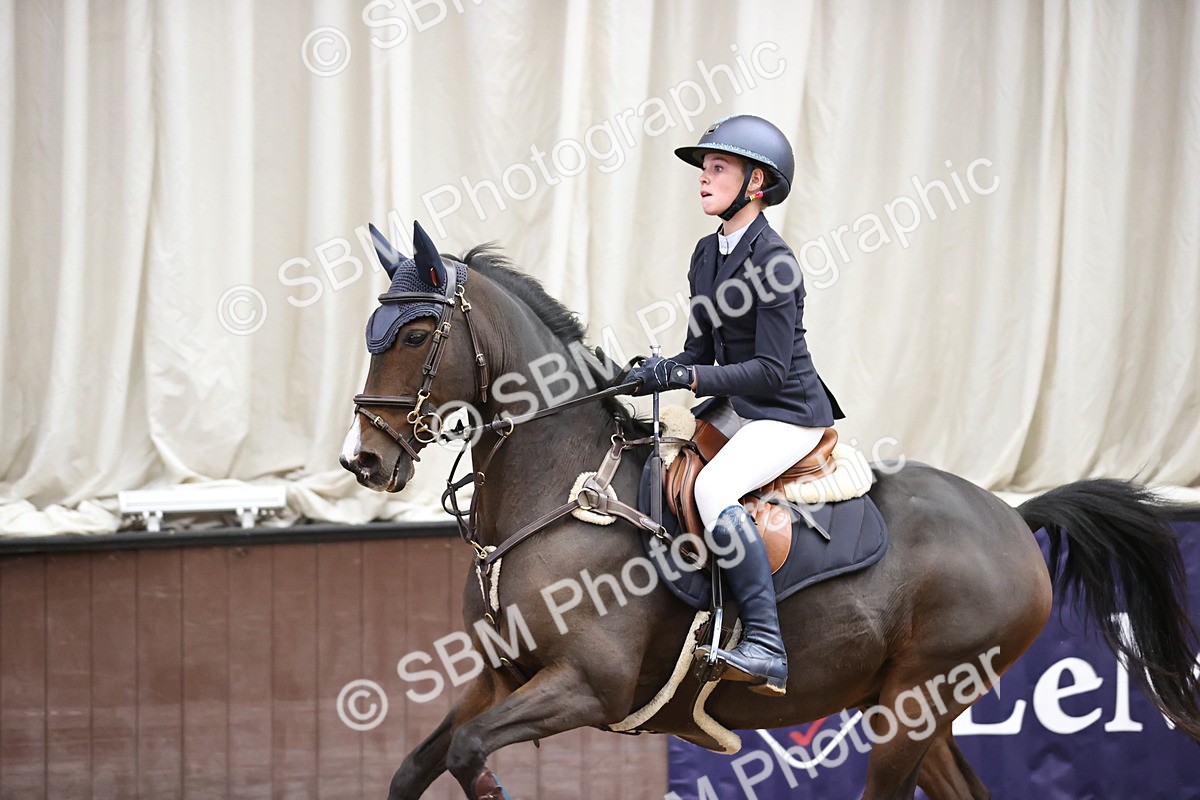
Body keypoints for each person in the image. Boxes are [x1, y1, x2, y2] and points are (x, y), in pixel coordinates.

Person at [627, 114, 843, 696]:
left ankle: (767, 644)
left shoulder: (775, 262)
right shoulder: (705, 253)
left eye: (718, 167)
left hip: (787, 413)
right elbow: (698, 351)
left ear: (755, 183)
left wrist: (688, 374)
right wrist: (650, 374)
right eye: (703, 168)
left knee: (713, 489)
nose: (703, 177)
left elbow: (771, 371)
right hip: (738, 406)